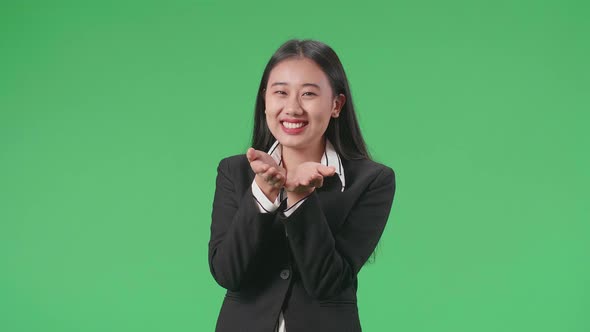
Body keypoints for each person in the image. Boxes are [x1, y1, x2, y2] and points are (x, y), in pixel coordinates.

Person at [208, 39, 396, 332]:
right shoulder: (235, 172)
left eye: (308, 93)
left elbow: (328, 282)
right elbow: (227, 273)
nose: (292, 108)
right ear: (265, 101)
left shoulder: (372, 180)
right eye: (281, 92)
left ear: (336, 105)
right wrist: (263, 192)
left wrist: (299, 198)